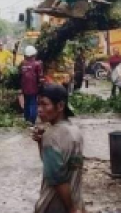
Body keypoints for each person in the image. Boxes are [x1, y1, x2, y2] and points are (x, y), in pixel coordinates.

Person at [32, 83, 84, 213]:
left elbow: (57, 179)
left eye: (44, 104)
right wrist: (40, 142)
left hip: (54, 205)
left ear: (60, 106)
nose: (39, 109)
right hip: (76, 199)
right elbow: (58, 166)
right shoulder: (75, 131)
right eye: (38, 104)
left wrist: (71, 209)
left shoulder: (51, 136)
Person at [20, 45, 44, 125]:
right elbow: (40, 77)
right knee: (33, 104)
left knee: (26, 103)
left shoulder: (22, 64)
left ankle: (26, 119)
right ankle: (32, 121)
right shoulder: (37, 64)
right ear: (33, 54)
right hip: (33, 88)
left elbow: (21, 75)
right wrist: (42, 85)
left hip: (24, 88)